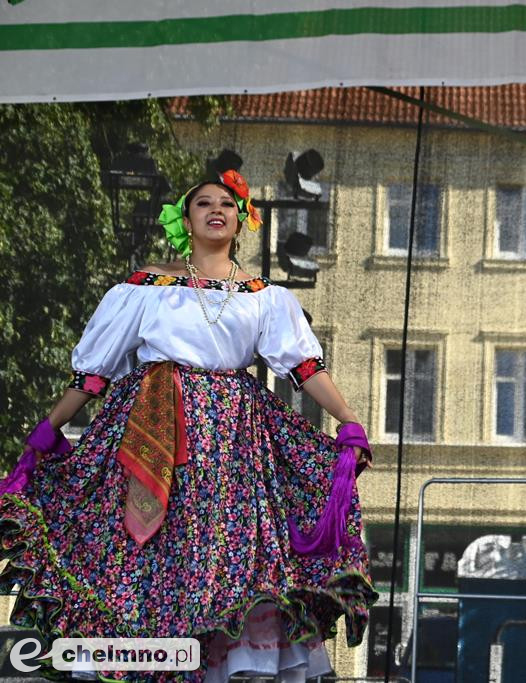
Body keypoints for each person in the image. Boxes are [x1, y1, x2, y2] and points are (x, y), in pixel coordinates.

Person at [0, 171, 377, 681]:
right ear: (186, 218)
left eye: (227, 202)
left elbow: (305, 368)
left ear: (242, 220)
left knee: (230, 550)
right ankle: (142, 658)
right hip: (151, 429)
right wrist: (47, 431)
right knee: (141, 552)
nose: (216, 209)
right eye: (203, 202)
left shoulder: (264, 295)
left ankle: (222, 661)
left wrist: (350, 422)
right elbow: (93, 374)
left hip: (232, 442)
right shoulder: (147, 287)